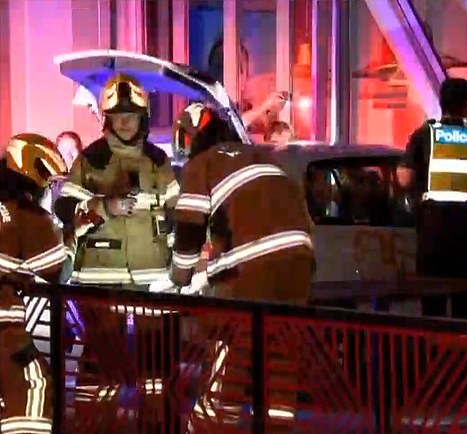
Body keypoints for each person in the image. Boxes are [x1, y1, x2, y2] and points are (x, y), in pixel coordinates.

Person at [168, 114, 314, 432]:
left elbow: (190, 227)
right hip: (299, 261)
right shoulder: (262, 156)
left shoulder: (202, 164)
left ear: (190, 140)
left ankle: (211, 426)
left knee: (228, 345)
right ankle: (278, 427)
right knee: (282, 354)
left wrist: (179, 276)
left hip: (250, 270)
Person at [54, 73, 179, 287]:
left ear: (143, 116)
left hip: (153, 277)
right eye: (117, 114)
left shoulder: (158, 160)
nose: (124, 121)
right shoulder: (91, 159)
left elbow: (177, 214)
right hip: (99, 277)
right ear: (107, 117)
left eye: (131, 114)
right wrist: (104, 206)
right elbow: (65, 208)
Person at [0, 133, 71, 434]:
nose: (49, 189)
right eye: (49, 181)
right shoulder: (27, 215)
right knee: (34, 384)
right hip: (4, 332)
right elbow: (60, 271)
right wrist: (74, 235)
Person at [397, 78, 467, 281]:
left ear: (441, 103)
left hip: (433, 225)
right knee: (463, 290)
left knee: (432, 291)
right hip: (465, 225)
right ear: (466, 104)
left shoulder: (425, 135)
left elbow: (405, 179)